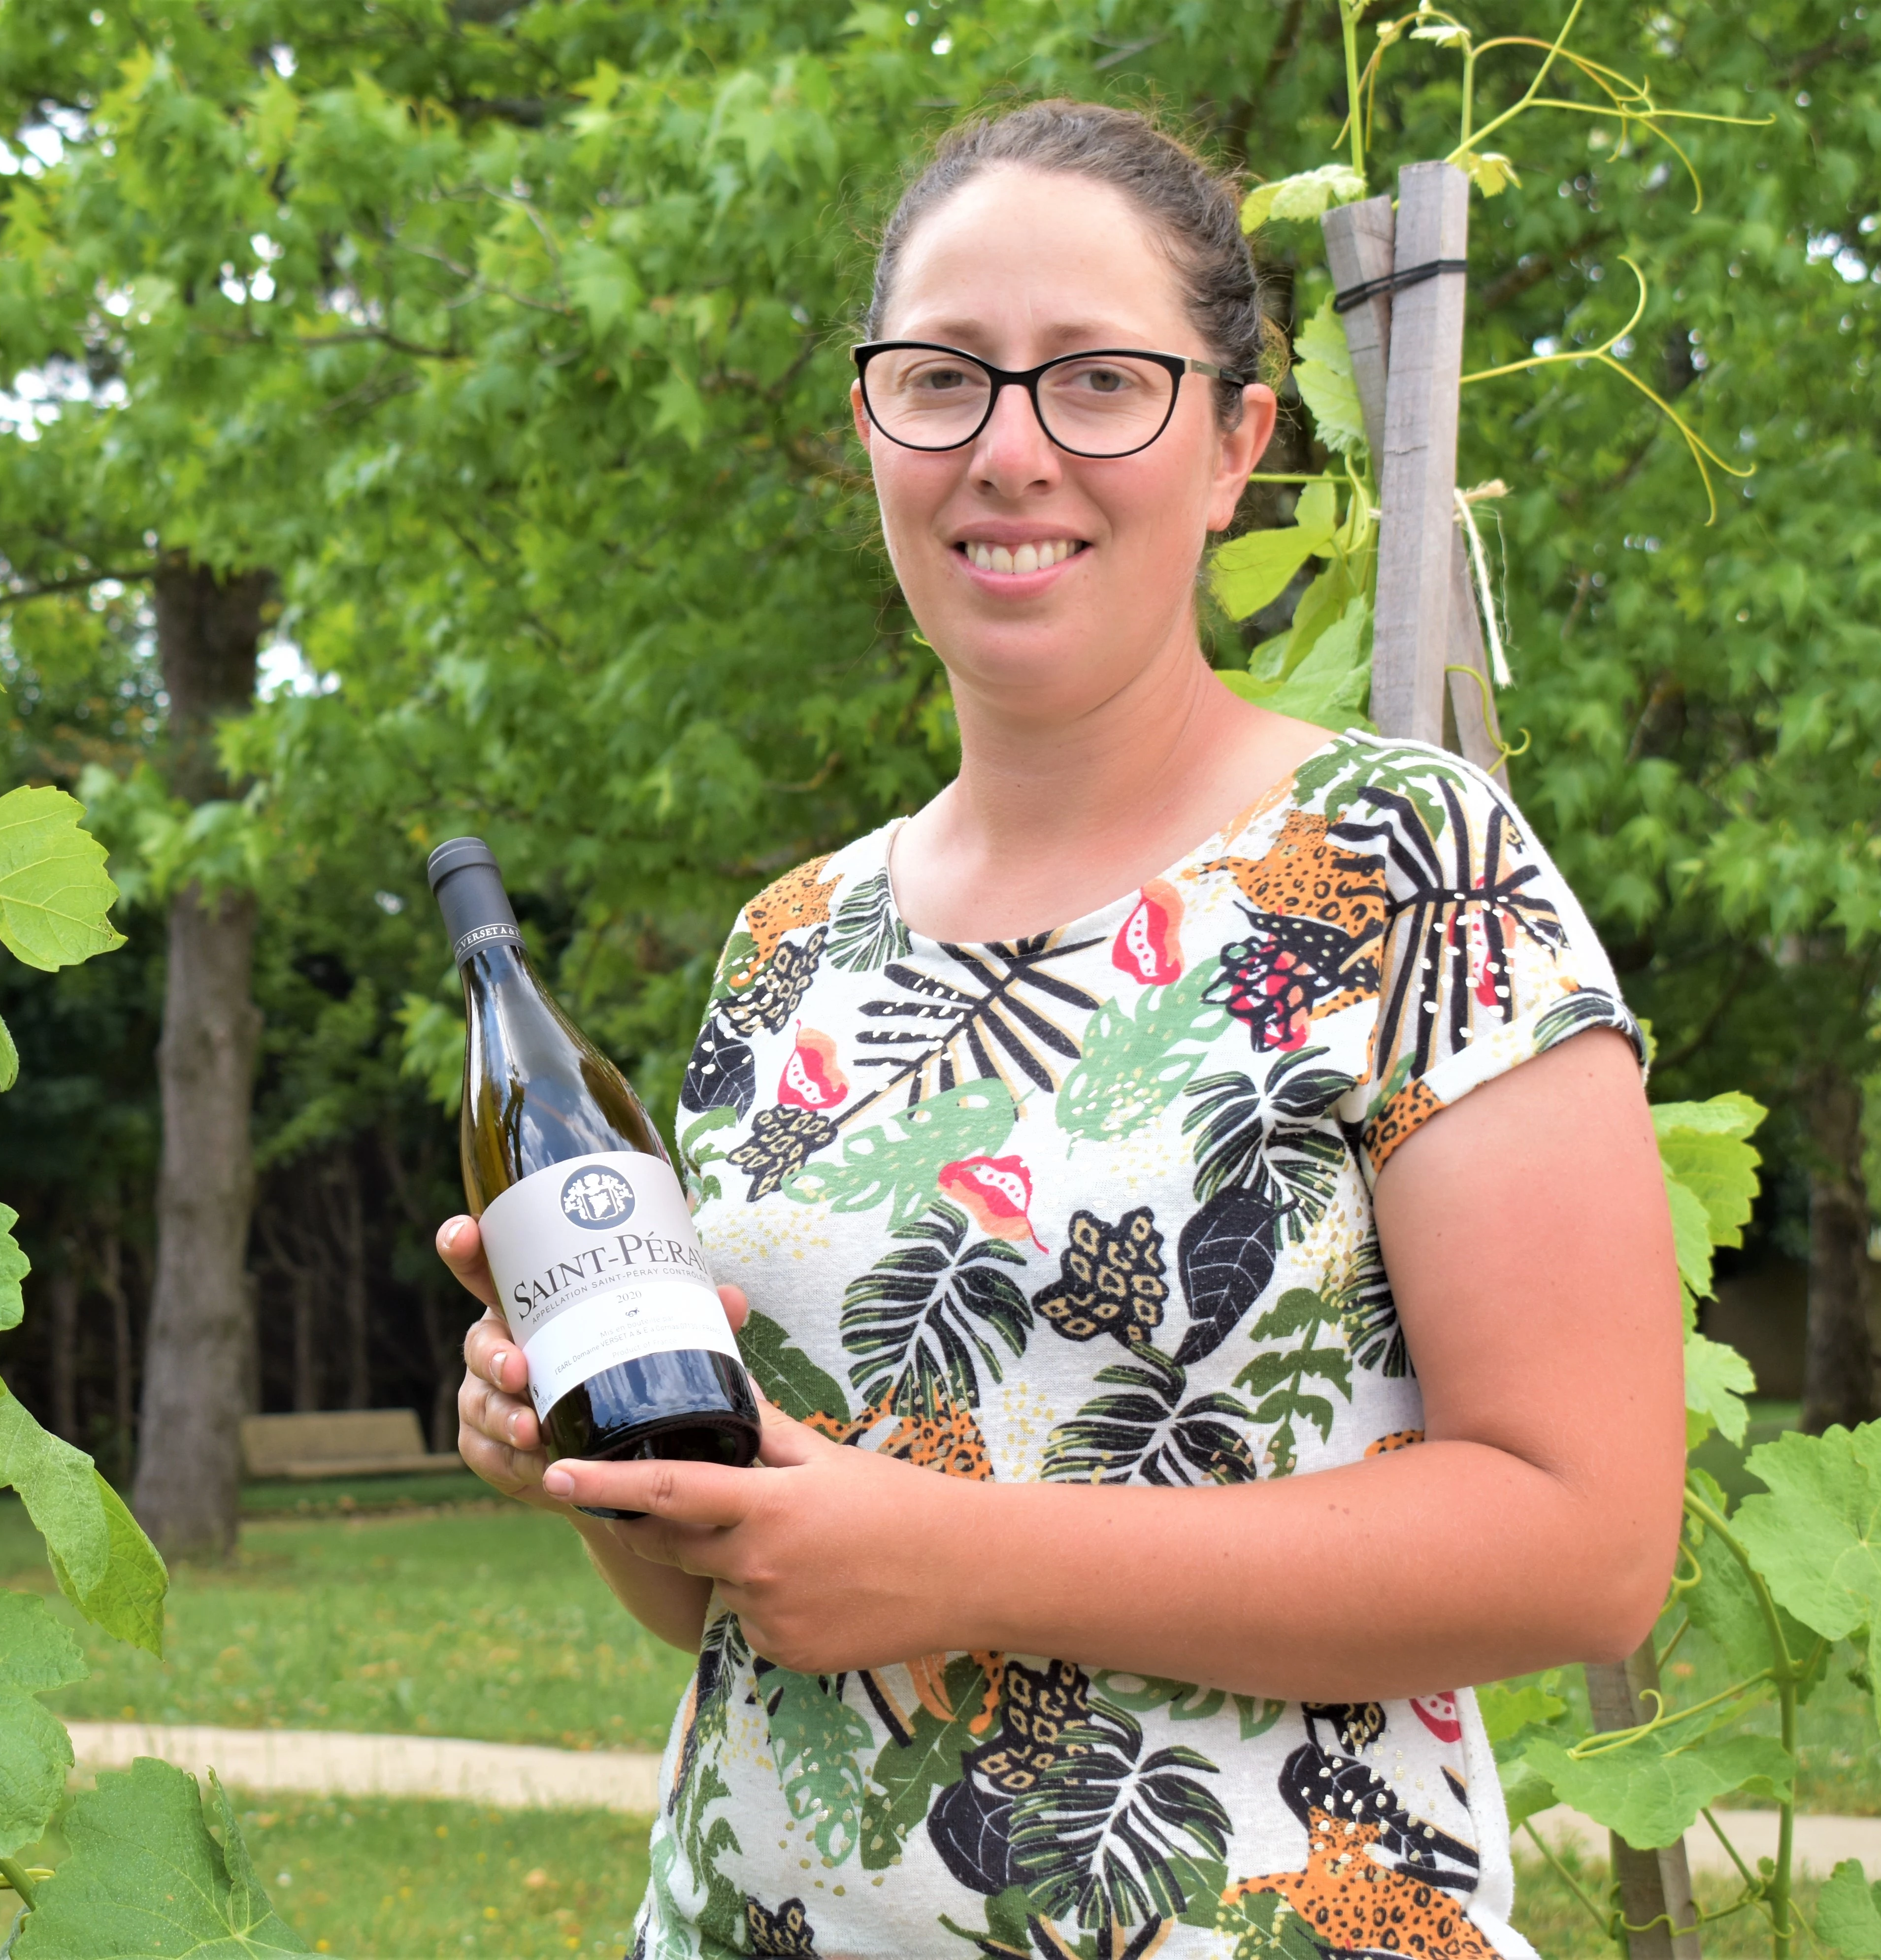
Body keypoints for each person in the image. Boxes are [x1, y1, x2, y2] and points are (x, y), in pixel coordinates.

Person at [437, 98, 1683, 1960]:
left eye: (1101, 381)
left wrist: (954, 1557)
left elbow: (1586, 1542)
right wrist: (608, 1474)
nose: (1010, 450)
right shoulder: (789, 950)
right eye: (942, 379)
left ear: (1234, 443)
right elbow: (742, 1597)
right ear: (873, 430)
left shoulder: (1406, 861)